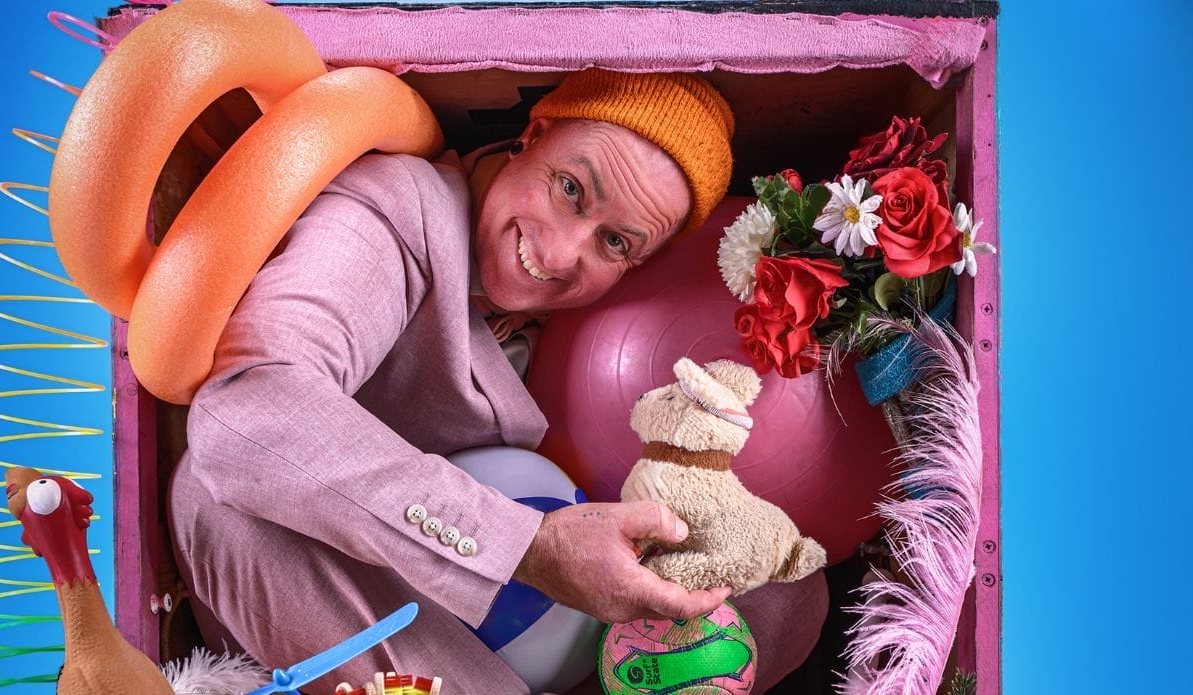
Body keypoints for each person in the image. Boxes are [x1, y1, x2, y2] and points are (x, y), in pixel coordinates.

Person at [168, 69, 828, 694]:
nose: (563, 251)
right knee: (214, 492)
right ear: (533, 135)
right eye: (571, 188)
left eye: (616, 243)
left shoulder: (614, 319)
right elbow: (247, 410)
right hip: (353, 598)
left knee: (789, 583)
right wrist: (528, 548)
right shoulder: (396, 210)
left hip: (557, 634)